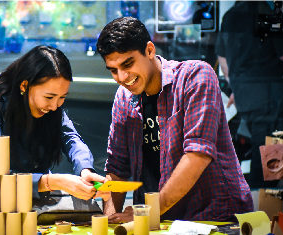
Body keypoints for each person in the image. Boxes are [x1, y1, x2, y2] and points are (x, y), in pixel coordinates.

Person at [96, 17, 253, 222]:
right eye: (113, 70)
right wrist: (108, 221)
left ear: (150, 50)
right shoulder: (123, 98)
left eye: (128, 64)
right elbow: (116, 168)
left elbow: (197, 154)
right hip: (160, 220)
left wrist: (148, 212)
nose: (122, 77)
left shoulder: (195, 77)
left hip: (214, 216)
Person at [0, 45, 110, 201]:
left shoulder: (53, 108)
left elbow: (72, 139)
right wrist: (53, 182)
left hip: (39, 203)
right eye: (49, 97)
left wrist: (85, 170)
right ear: (24, 86)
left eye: (62, 97)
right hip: (0, 206)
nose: (54, 106)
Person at [216, 1, 283, 189]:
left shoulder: (230, 15)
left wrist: (238, 85)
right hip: (269, 93)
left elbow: (222, 59)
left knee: (261, 147)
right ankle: (267, 202)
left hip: (244, 94)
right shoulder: (268, 12)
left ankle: (258, 198)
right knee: (272, 148)